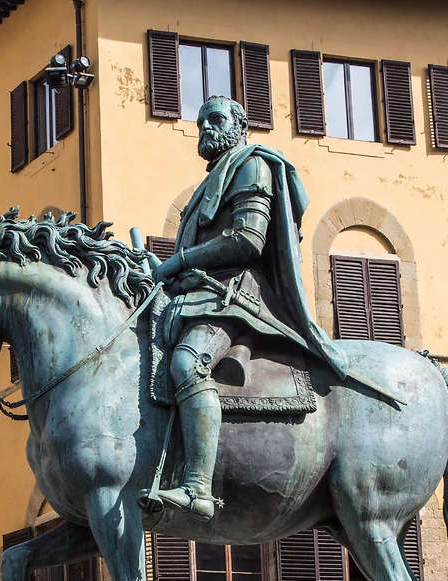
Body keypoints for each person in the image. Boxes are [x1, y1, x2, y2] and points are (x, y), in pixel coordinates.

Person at [150, 96, 382, 520]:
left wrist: (180, 261)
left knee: (187, 365)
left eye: (216, 119)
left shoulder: (251, 166)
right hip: (197, 294)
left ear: (240, 125)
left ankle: (199, 486)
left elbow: (247, 240)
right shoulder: (211, 180)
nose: (205, 128)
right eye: (201, 122)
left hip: (234, 298)